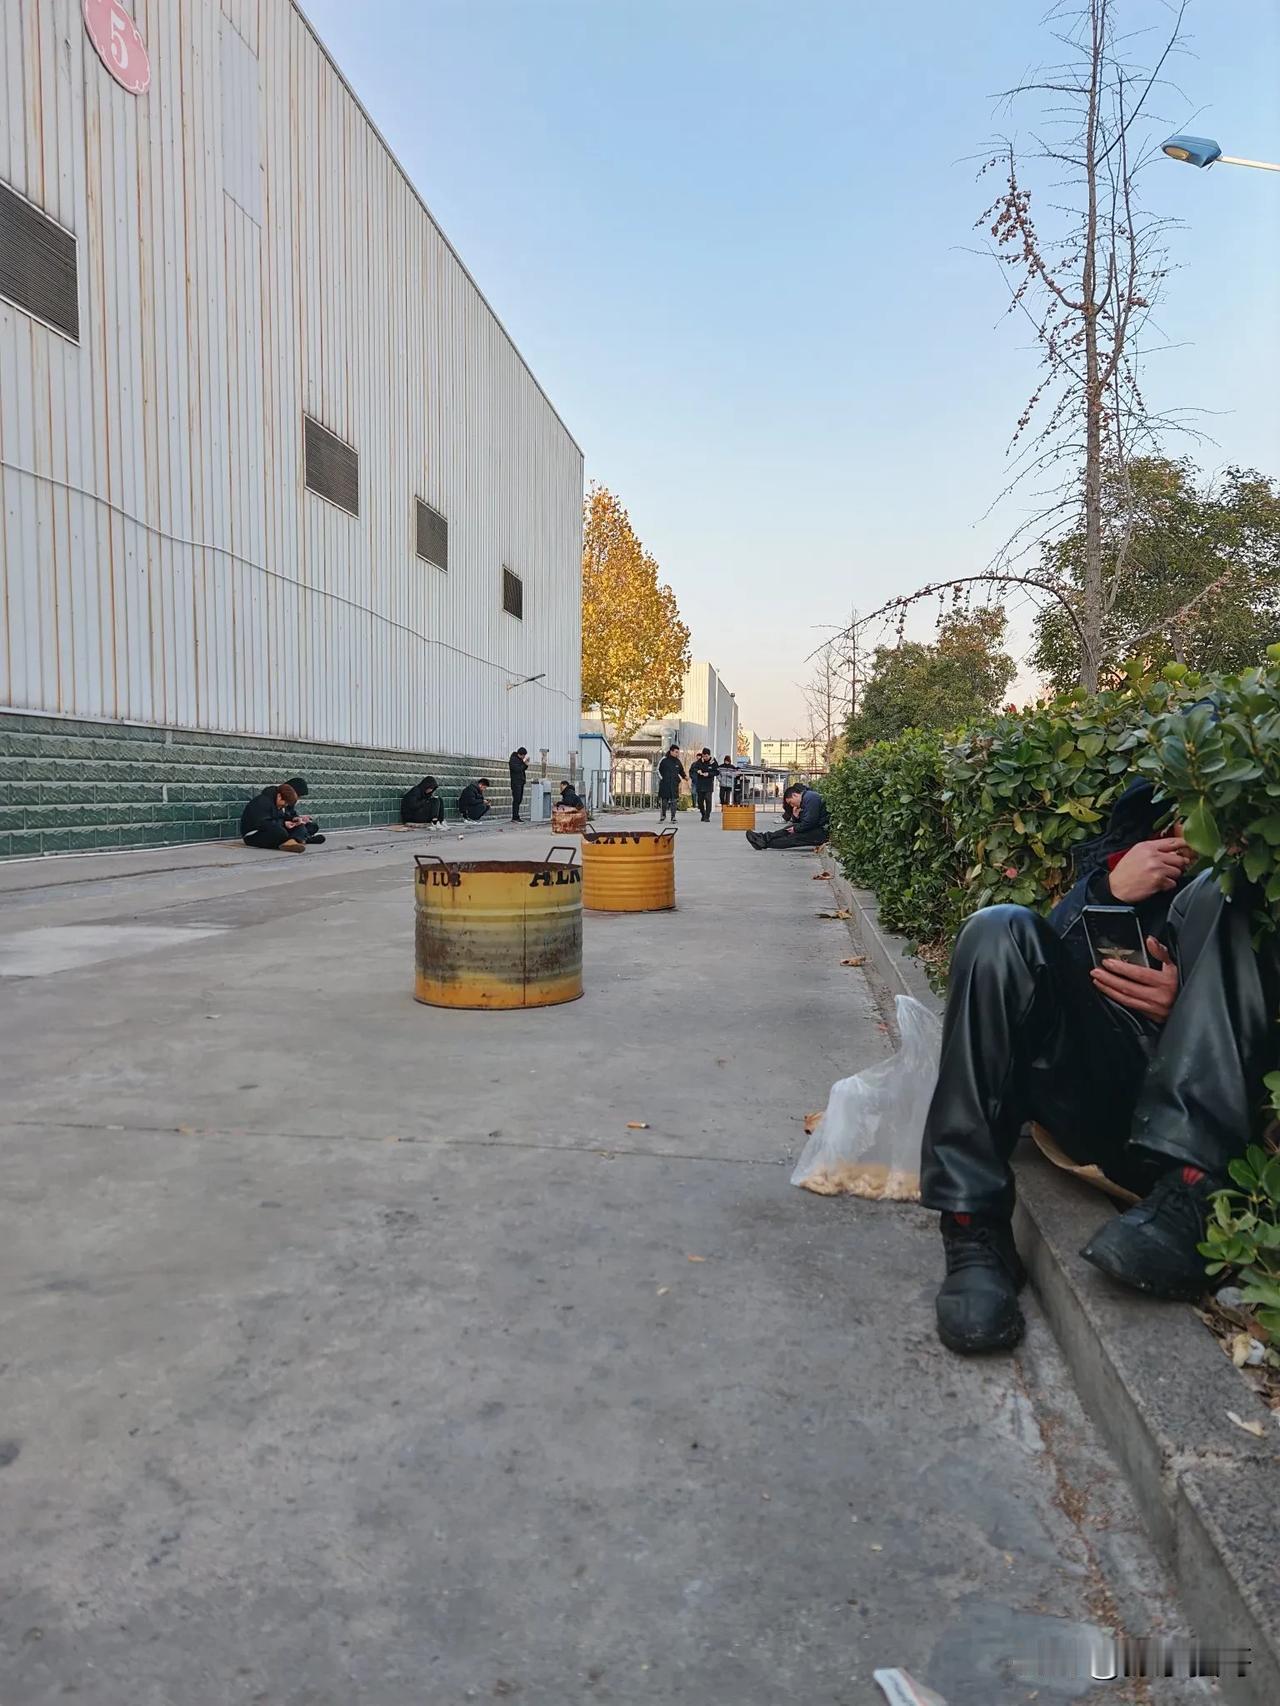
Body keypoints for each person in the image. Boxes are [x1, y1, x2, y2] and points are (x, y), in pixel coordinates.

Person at [921, 775, 1280, 1356]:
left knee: (1228, 890)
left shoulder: (1244, 883)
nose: (1190, 827)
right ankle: (972, 1226)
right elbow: (1040, 974)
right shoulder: (1129, 860)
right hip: (1098, 1088)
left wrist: (1183, 1003)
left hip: (1194, 1146)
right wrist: (1106, 889)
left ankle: (1191, 1201)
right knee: (997, 929)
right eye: (1183, 810)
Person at [746, 783, 829, 849]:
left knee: (794, 838)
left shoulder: (810, 798)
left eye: (790, 802)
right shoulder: (806, 799)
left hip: (821, 832)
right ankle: (763, 837)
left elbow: (810, 822)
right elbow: (806, 821)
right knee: (789, 829)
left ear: (795, 795)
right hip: (817, 828)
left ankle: (764, 843)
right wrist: (796, 817)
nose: (792, 805)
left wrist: (795, 828)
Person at [240, 782, 307, 853]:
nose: (285, 806)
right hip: (253, 835)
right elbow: (263, 823)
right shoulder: (262, 802)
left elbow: (281, 817)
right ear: (279, 796)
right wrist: (284, 824)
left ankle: (291, 842)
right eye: (285, 803)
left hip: (273, 828)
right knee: (279, 832)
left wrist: (293, 819)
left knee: (300, 826)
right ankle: (290, 842)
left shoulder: (278, 803)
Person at [283, 776, 325, 844]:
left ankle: (302, 838)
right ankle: (304, 839)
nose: (298, 799)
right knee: (300, 828)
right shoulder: (276, 801)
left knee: (312, 826)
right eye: (298, 796)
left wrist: (300, 819)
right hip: (282, 826)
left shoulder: (291, 802)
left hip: (292, 825)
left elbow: (292, 814)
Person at [657, 745, 685, 823]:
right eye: (676, 752)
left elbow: (681, 771)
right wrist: (662, 778)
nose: (677, 754)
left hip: (674, 784)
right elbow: (658, 770)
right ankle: (663, 816)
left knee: (674, 801)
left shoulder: (677, 761)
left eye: (678, 752)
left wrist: (685, 777)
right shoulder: (664, 760)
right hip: (665, 784)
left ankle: (673, 817)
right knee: (664, 801)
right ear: (671, 751)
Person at [689, 749, 719, 822]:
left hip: (708, 784)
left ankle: (707, 816)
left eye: (706, 756)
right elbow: (694, 768)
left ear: (709, 755)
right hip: (700, 784)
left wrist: (709, 774)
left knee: (708, 800)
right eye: (703, 756)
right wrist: (698, 771)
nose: (705, 758)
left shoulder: (713, 761)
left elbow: (717, 772)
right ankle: (703, 813)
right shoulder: (700, 761)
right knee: (700, 801)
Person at [508, 747, 529, 823]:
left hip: (520, 782)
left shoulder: (519, 760)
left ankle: (516, 816)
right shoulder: (513, 760)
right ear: (521, 754)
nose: (524, 757)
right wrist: (524, 764)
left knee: (519, 799)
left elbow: (522, 769)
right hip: (516, 783)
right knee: (516, 799)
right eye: (524, 755)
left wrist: (525, 764)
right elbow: (517, 769)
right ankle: (515, 817)